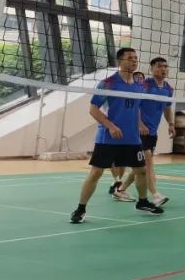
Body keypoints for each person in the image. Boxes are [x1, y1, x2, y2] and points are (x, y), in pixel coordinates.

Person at [70, 48, 164, 223]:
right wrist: (111, 126)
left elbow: (135, 108)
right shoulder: (108, 84)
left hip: (132, 139)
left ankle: (142, 202)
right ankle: (80, 209)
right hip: (108, 138)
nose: (134, 61)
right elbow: (93, 109)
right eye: (130, 58)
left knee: (141, 171)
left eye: (135, 58)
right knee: (96, 173)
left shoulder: (139, 85)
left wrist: (139, 124)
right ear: (120, 61)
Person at [119, 57, 176, 207]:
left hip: (152, 132)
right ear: (152, 68)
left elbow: (167, 108)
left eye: (165, 66)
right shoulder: (143, 85)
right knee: (149, 162)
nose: (163, 69)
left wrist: (171, 124)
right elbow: (135, 106)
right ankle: (155, 194)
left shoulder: (168, 89)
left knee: (140, 166)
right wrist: (140, 124)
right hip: (139, 131)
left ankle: (120, 190)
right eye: (159, 66)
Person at [109, 72, 149, 202]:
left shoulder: (141, 92)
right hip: (116, 132)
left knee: (136, 167)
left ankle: (120, 186)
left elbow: (137, 110)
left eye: (142, 78)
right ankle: (117, 182)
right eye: (137, 78)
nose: (140, 80)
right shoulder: (118, 87)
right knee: (111, 162)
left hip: (135, 135)